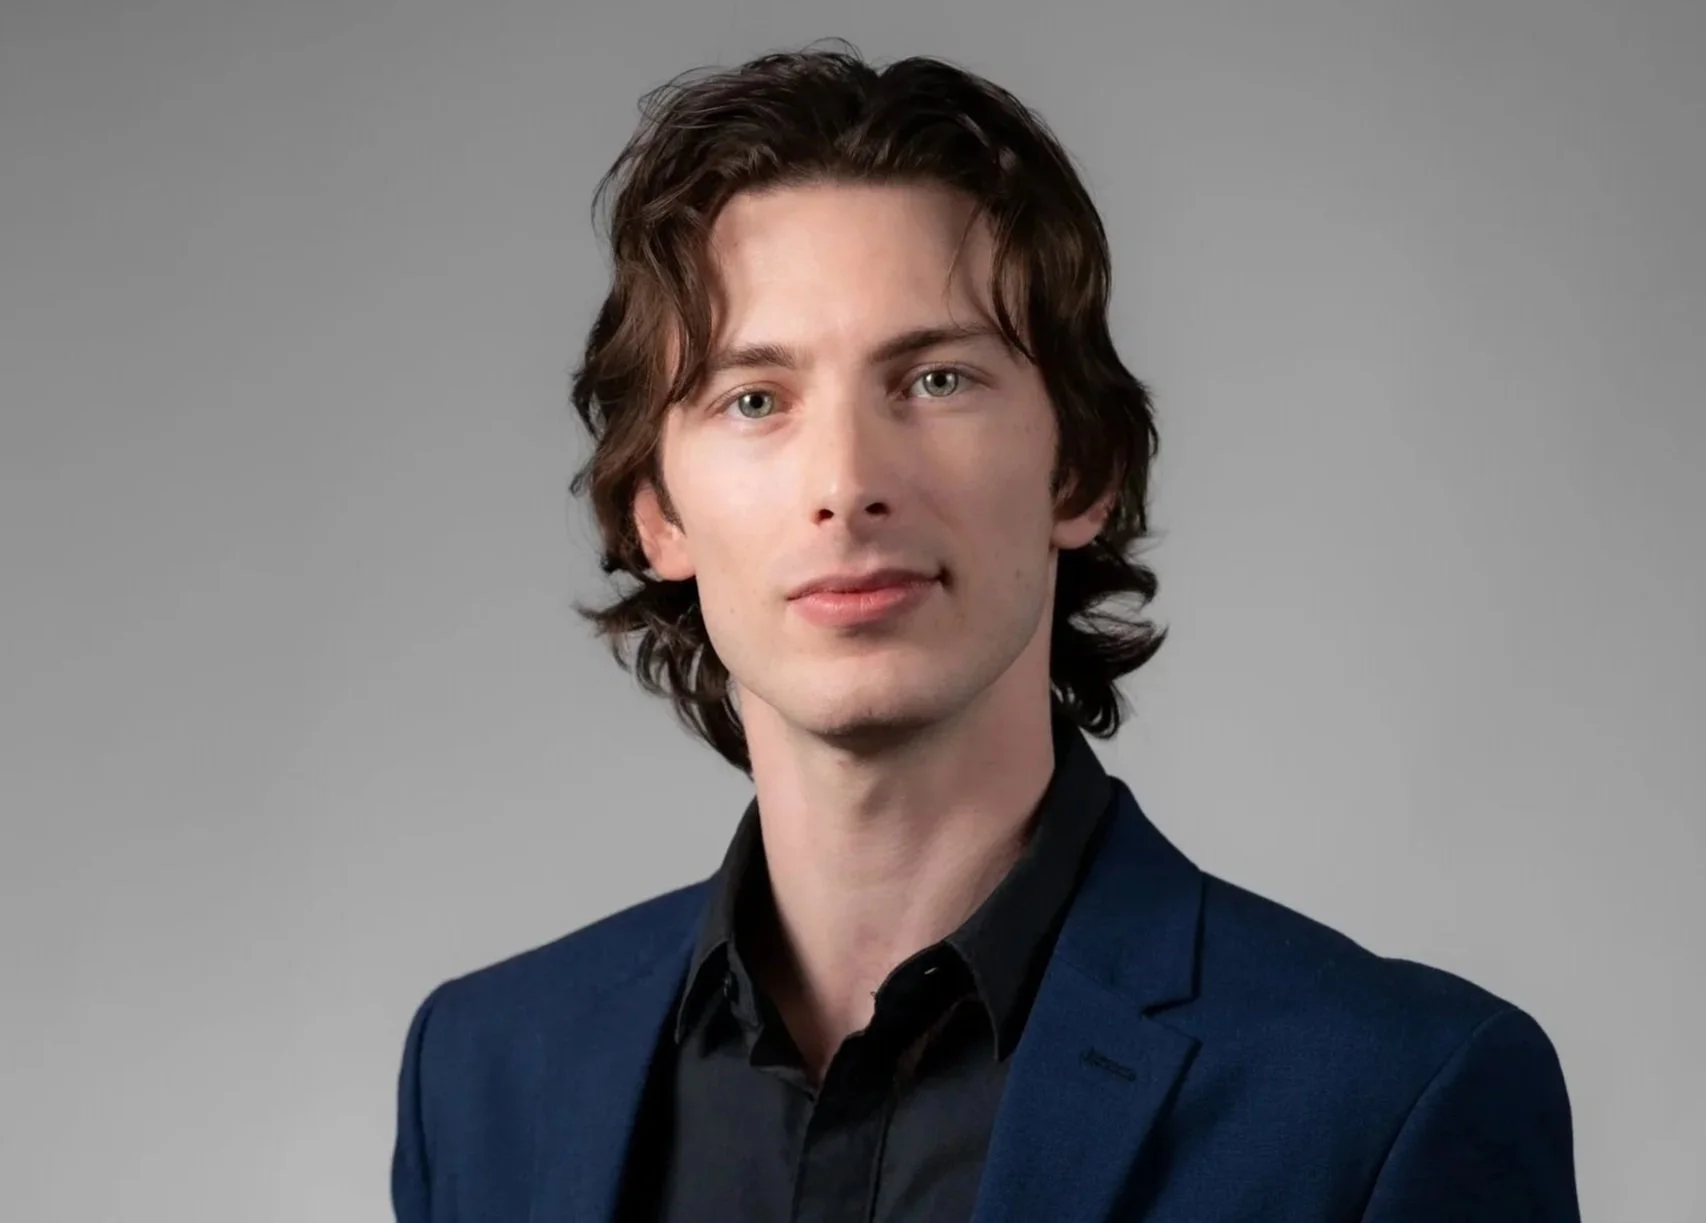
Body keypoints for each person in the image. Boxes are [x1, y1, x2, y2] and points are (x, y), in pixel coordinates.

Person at [390, 43, 1580, 1222]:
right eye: (754, 398)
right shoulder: (482, 1076)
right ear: (655, 511)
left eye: (936, 380)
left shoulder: (1388, 1096)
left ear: (1082, 468)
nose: (847, 483)